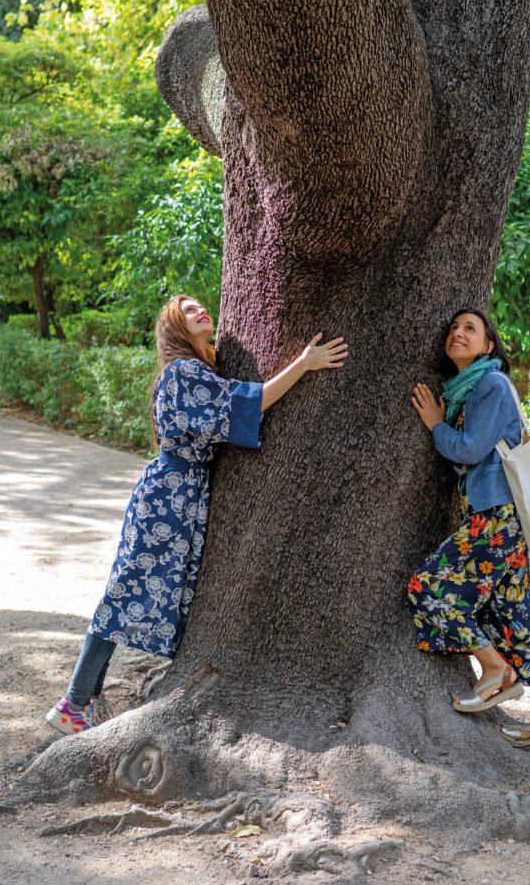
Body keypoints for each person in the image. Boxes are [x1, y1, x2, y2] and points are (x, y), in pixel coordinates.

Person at [45, 295, 347, 735]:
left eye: (202, 306)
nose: (202, 310)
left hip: (179, 491)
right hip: (170, 494)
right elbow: (248, 403)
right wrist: (303, 363)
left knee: (133, 591)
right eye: (189, 310)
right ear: (174, 328)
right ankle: (74, 701)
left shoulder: (194, 371)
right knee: (126, 591)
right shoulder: (184, 372)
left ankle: (86, 699)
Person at [406, 309, 530, 748]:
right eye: (453, 327)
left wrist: (436, 425)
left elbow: (473, 450)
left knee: (429, 588)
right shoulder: (467, 391)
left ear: (488, 346)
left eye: (470, 329)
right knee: (514, 615)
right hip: (504, 516)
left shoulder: (490, 385)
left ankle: (495, 668)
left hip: (495, 517)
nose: (458, 332)